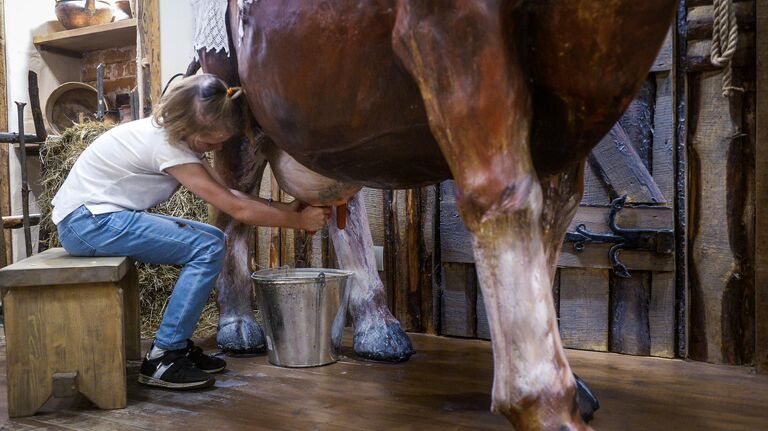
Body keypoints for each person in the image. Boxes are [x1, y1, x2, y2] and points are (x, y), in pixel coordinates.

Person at [51, 74, 330, 390]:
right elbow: (235, 208)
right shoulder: (168, 148)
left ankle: (176, 345)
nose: (217, 147)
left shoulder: (175, 138)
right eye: (211, 142)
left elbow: (227, 191)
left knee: (213, 240)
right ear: (189, 127)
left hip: (94, 218)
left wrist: (290, 209)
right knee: (206, 248)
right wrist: (300, 221)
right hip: (87, 223)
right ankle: (163, 356)